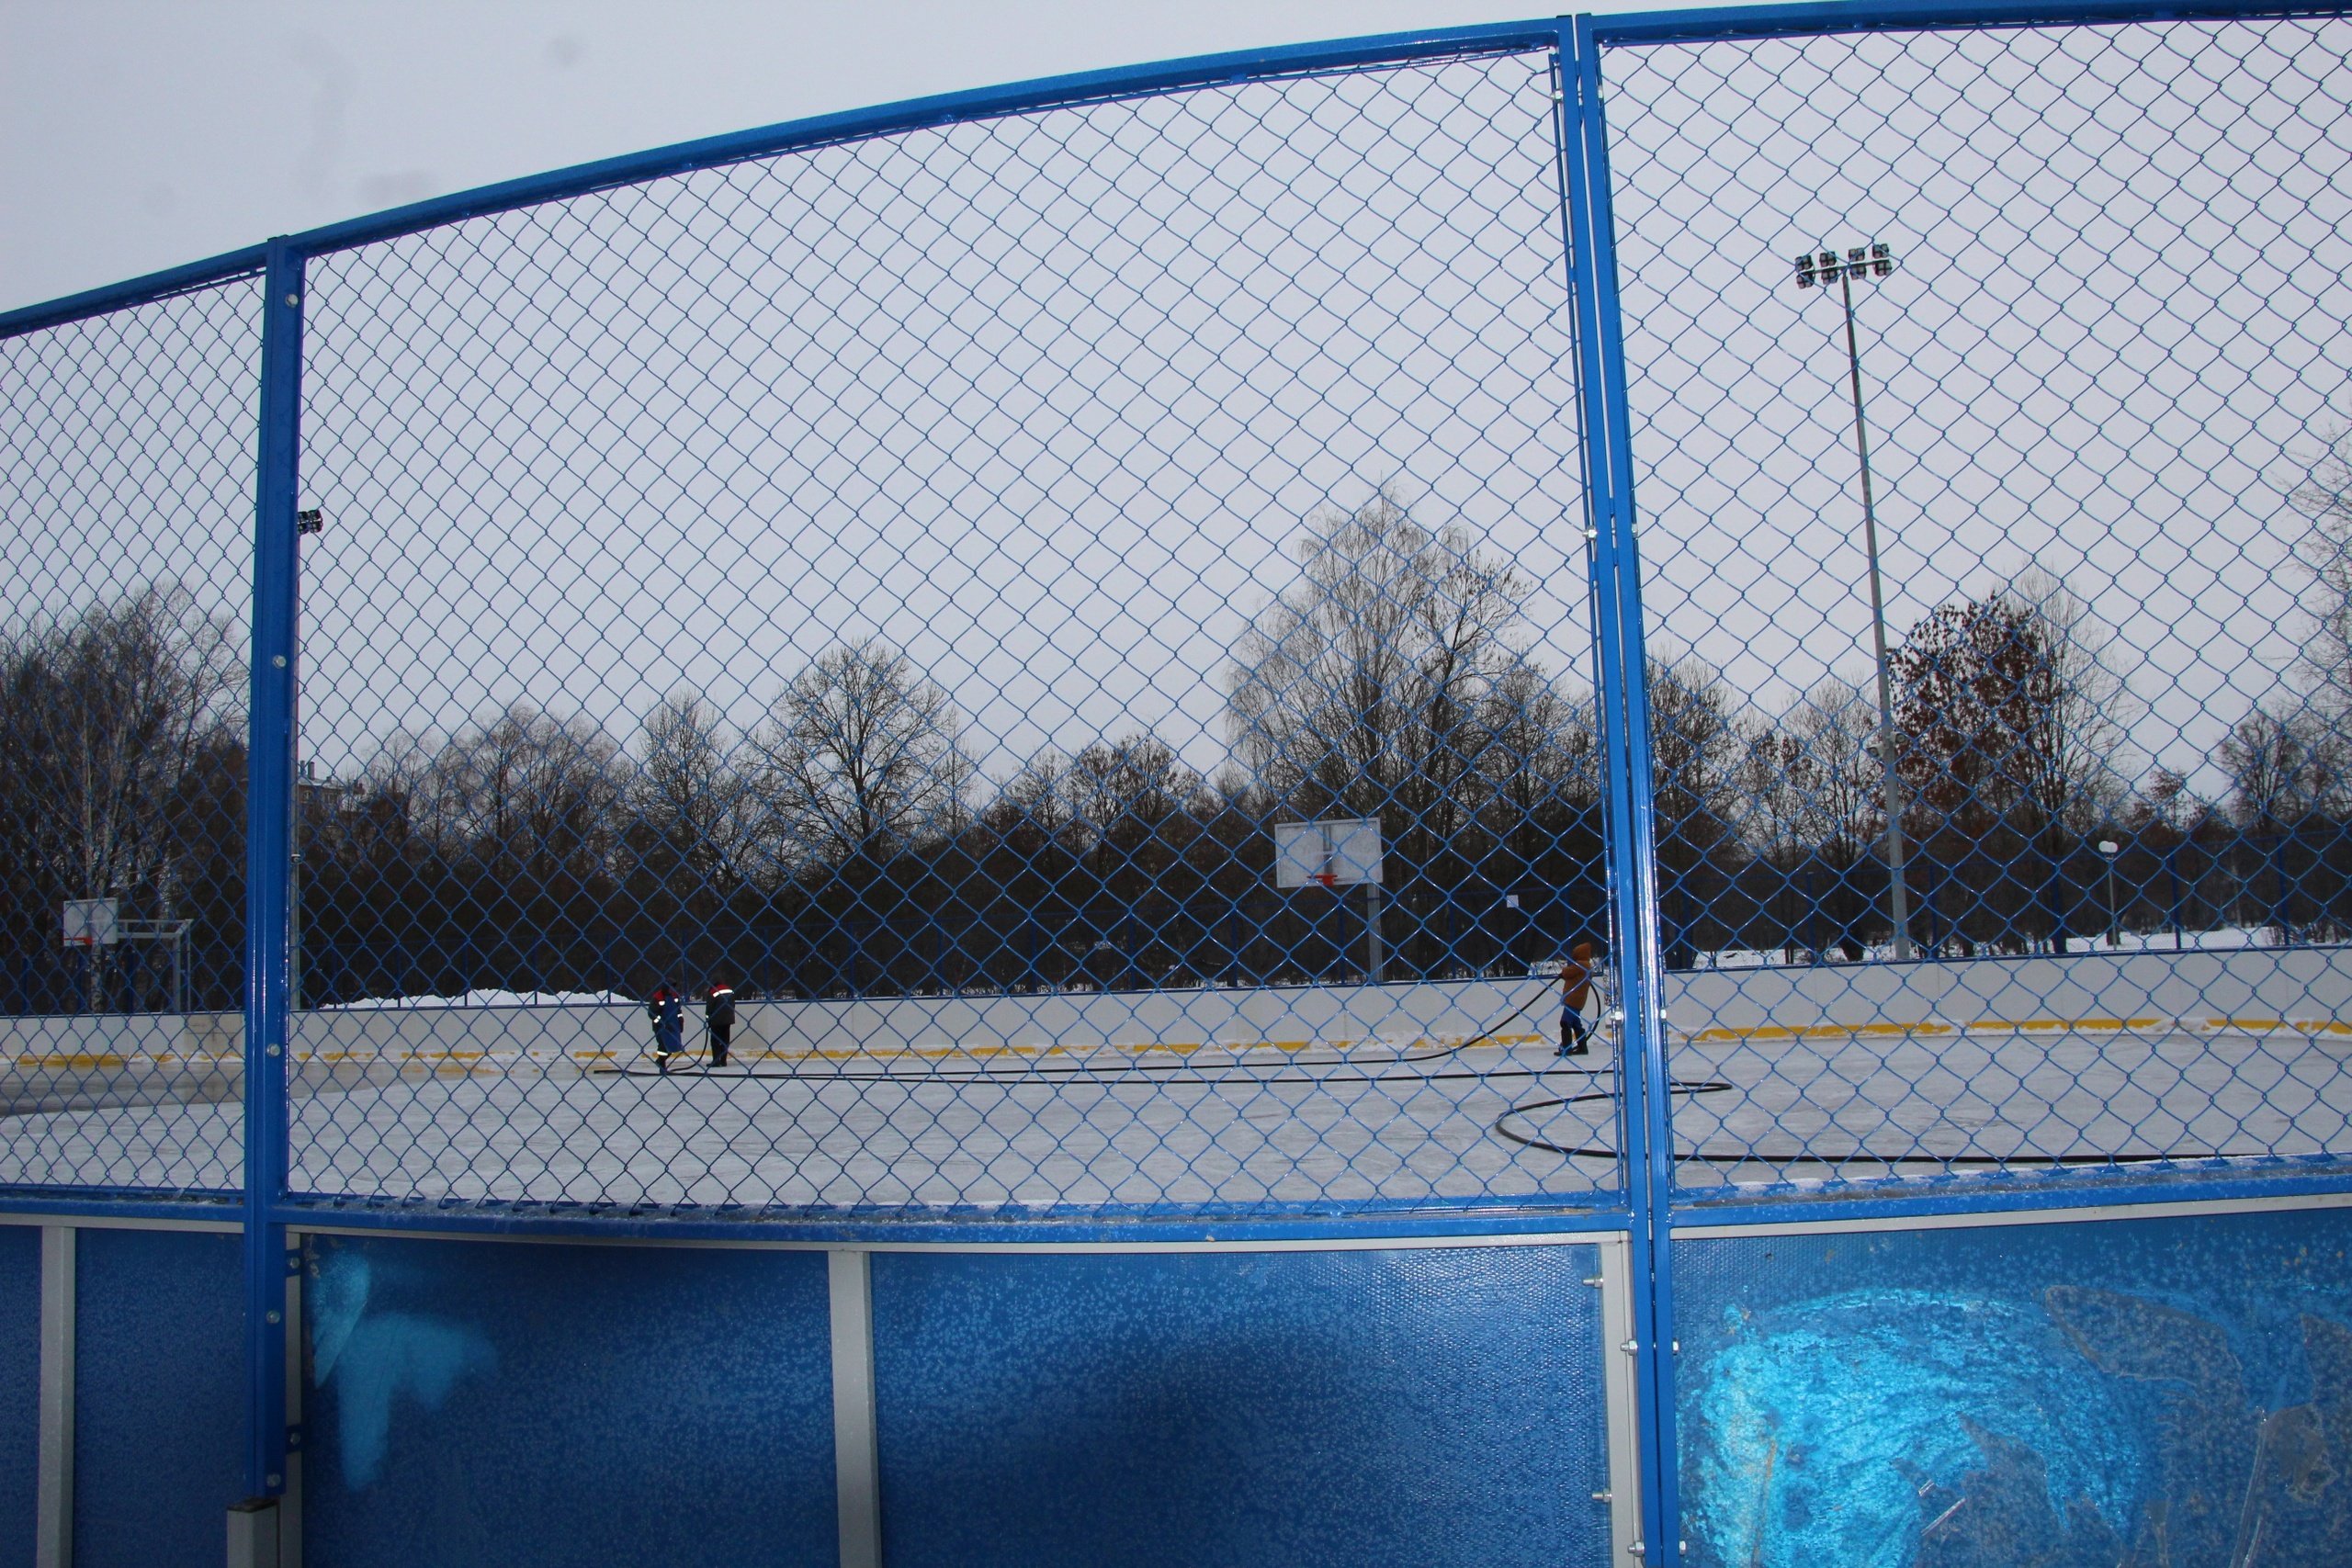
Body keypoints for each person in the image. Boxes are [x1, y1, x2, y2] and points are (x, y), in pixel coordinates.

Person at [1558, 941, 1600, 1058]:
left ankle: (1567, 1049)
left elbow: (1568, 972)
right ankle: (1582, 1047)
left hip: (1572, 999)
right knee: (1576, 1024)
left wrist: (1563, 972)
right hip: (1578, 999)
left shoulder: (1580, 965)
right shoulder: (1586, 966)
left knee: (1565, 1022)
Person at [649, 985, 684, 1073]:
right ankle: (662, 1066)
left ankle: (660, 1061)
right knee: (662, 1046)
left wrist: (680, 1020)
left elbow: (678, 1010)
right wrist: (662, 1023)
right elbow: (651, 1013)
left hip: (673, 1025)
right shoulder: (657, 997)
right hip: (660, 1027)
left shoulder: (675, 996)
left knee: (673, 1045)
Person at [705, 980, 736, 1068]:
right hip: (728, 1019)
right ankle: (723, 1060)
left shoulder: (713, 992)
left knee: (715, 1041)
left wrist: (708, 1019)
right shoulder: (730, 990)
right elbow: (733, 1004)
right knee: (725, 1040)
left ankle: (716, 1061)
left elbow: (709, 1007)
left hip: (716, 1020)